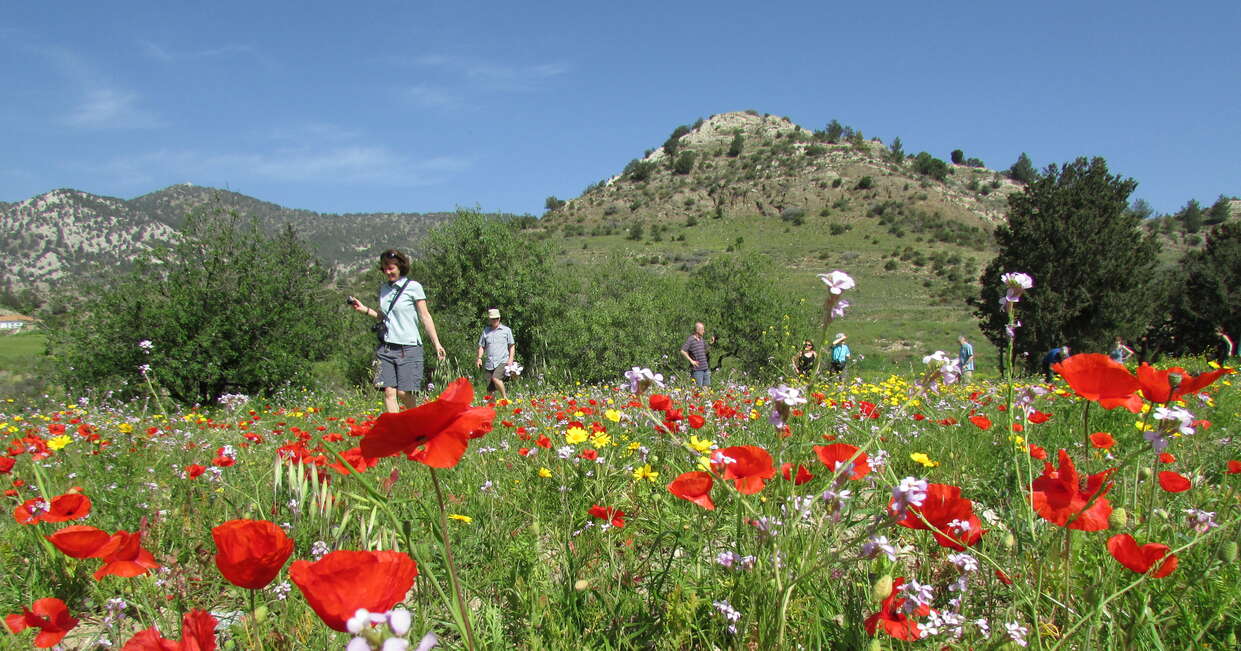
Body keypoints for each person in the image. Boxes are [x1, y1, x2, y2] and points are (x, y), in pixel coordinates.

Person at [347, 249, 446, 413]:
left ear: (400, 266)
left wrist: (436, 343)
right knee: (388, 392)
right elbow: (384, 316)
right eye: (385, 268)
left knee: (404, 393)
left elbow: (425, 316)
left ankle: (415, 425)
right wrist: (364, 309)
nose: (388, 272)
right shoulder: (384, 289)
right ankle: (397, 431)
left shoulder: (413, 287)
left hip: (409, 347)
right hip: (386, 348)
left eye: (391, 268)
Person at [476, 308, 516, 401]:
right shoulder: (486, 331)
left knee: (496, 378)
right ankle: (493, 407)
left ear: (499, 318)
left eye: (497, 318)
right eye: (493, 319)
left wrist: (510, 360)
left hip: (503, 361)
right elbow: (482, 346)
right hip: (490, 363)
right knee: (490, 389)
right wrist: (479, 358)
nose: (495, 320)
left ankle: (505, 399)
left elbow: (512, 346)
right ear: (489, 319)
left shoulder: (506, 330)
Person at [680, 322, 712, 387]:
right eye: (702, 329)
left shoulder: (702, 339)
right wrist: (691, 361)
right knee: (697, 390)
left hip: (705, 368)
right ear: (698, 330)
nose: (704, 331)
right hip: (697, 370)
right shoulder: (691, 339)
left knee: (707, 389)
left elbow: (707, 348)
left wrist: (711, 343)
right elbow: (682, 351)